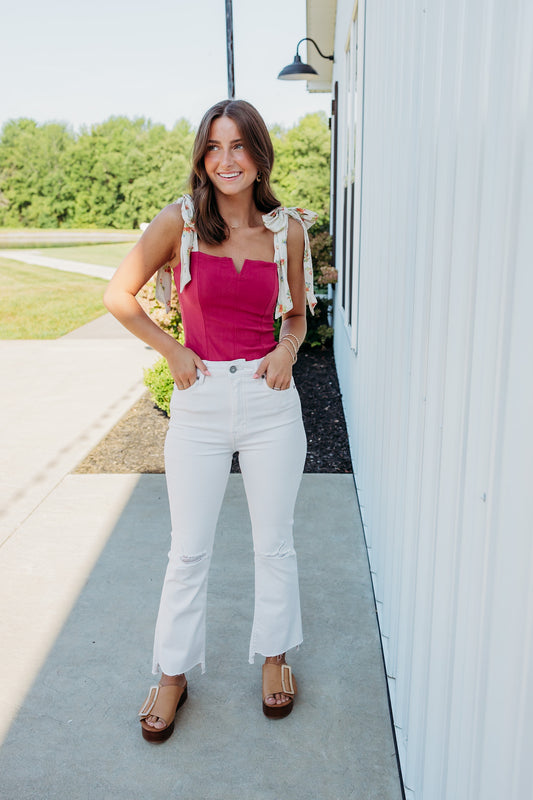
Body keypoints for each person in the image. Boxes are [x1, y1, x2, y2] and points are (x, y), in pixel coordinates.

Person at [104, 99, 317, 743]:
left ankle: (275, 657)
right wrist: (173, 351)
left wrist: (285, 350)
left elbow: (297, 318)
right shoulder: (180, 224)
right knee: (188, 549)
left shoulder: (288, 232)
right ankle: (172, 673)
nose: (227, 160)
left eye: (239, 146)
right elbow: (119, 296)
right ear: (203, 156)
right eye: (214, 147)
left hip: (267, 404)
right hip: (199, 403)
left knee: (273, 542)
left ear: (259, 155)